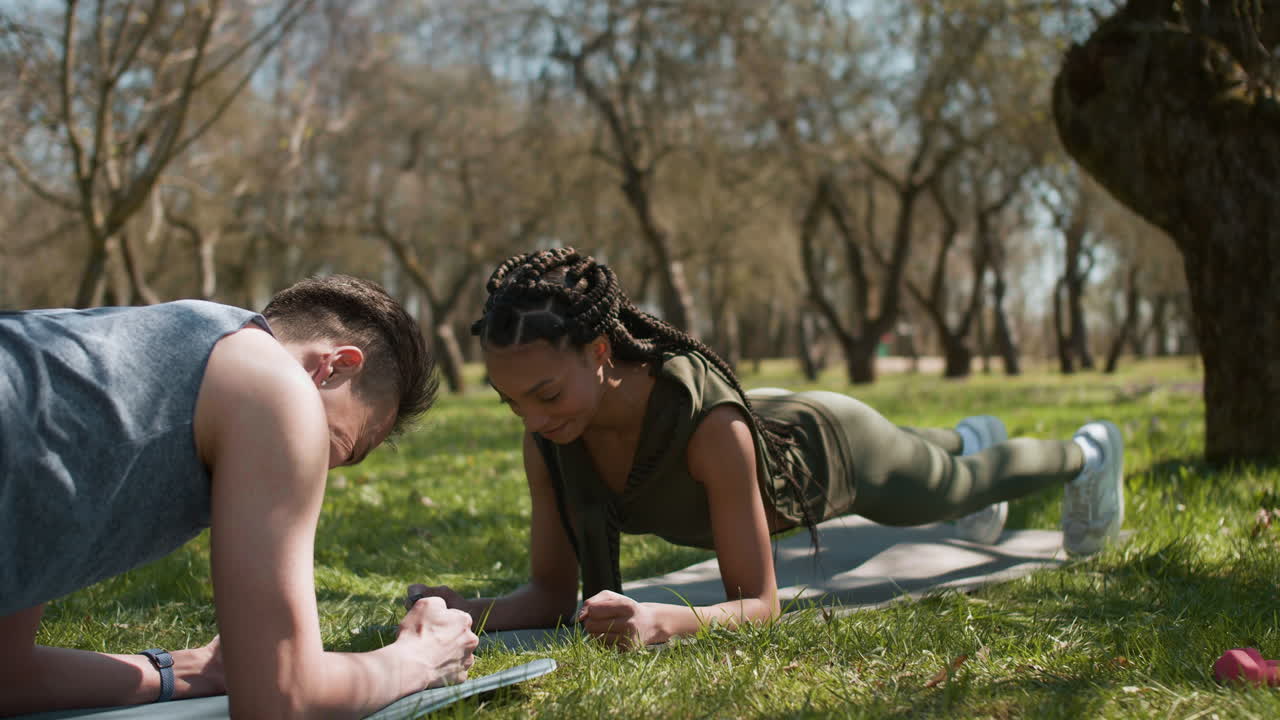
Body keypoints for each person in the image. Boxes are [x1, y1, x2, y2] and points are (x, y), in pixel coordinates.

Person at [405, 248, 1125, 649]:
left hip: (829, 448)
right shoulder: (551, 440)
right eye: (512, 401)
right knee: (939, 460)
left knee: (952, 488)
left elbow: (759, 603)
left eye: (545, 394)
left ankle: (1087, 454)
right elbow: (551, 595)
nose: (532, 420)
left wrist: (663, 621)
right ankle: (968, 436)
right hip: (764, 424)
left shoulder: (707, 428)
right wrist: (464, 607)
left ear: (599, 352)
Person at [0, 276, 478, 718]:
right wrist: (420, 658)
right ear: (334, 367)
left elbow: (9, 677)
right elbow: (281, 700)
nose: (319, 473)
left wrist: (184, 672)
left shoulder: (73, 366)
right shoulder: (278, 389)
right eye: (338, 447)